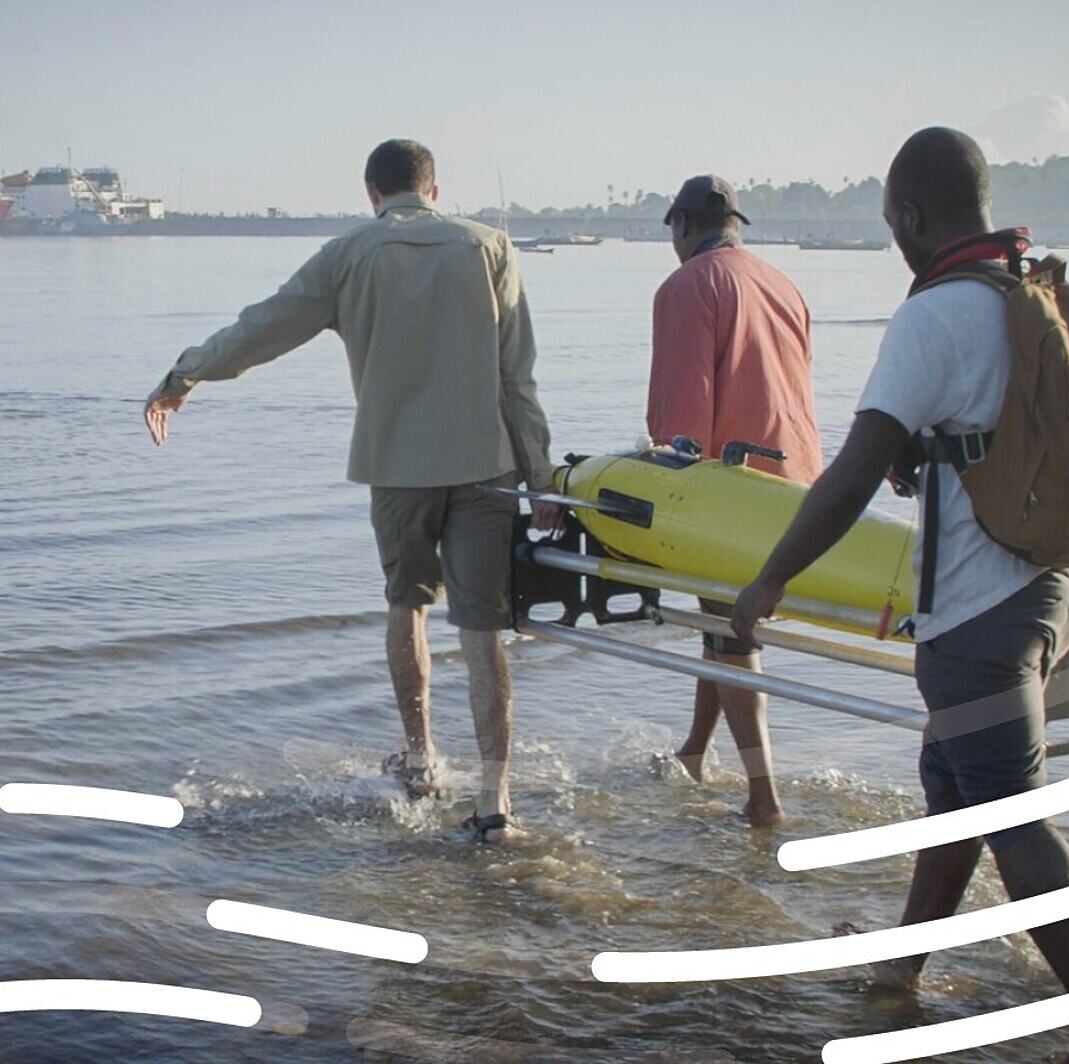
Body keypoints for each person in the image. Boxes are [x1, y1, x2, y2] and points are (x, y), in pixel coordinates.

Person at [731, 128, 1069, 1062]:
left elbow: (847, 476)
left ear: (911, 217)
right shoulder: (1025, 289)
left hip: (981, 616)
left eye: (893, 224)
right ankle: (902, 970)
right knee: (957, 789)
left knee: (1011, 817)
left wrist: (768, 582)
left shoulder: (933, 315)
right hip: (1062, 583)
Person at [143, 139, 562, 843]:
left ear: (374, 192)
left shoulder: (350, 254)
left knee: (408, 608)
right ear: (434, 188)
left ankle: (422, 758)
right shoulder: (490, 247)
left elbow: (262, 329)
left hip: (398, 467)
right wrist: (543, 477)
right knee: (484, 634)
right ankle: (496, 805)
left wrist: (185, 374)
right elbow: (518, 377)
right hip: (487, 467)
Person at [647, 174, 823, 826]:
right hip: (796, 485)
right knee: (720, 627)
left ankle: (763, 796)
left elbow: (680, 424)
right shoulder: (783, 284)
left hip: (730, 490)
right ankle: (695, 753)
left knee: (733, 635)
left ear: (682, 225)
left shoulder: (687, 287)